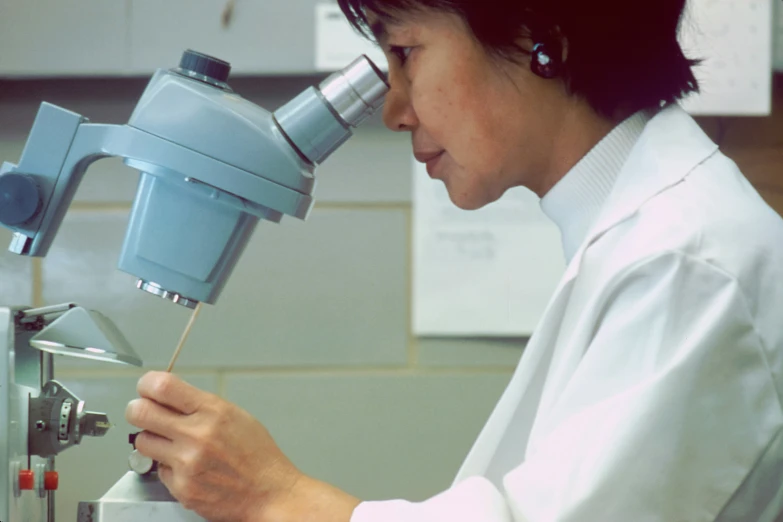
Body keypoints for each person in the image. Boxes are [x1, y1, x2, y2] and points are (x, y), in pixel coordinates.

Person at [125, 0, 783, 520]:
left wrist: (271, 495)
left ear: (540, 35)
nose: (393, 109)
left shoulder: (683, 262)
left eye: (405, 52)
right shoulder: (634, 233)